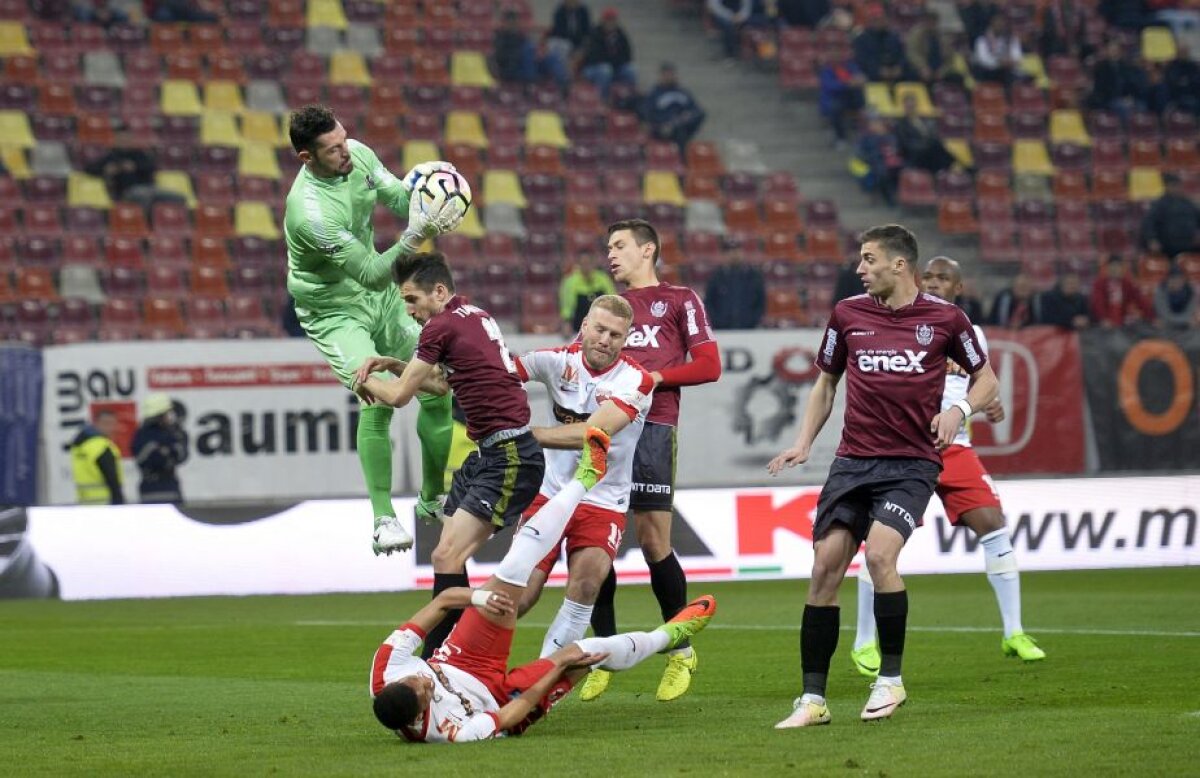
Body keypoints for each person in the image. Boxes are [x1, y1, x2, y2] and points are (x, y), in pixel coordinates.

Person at [768, 224, 998, 728]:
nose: (859, 268)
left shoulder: (946, 319)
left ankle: (890, 680)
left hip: (911, 464)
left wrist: (959, 410)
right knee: (825, 567)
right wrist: (804, 443)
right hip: (853, 462)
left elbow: (987, 379)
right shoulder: (847, 314)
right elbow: (826, 383)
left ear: (899, 264)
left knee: (878, 556)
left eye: (868, 259)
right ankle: (812, 700)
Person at [369, 432, 717, 743]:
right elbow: (512, 714)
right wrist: (556, 663)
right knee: (583, 656)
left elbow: (444, 600)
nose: (425, 681)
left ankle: (585, 477)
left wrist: (480, 597)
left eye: (416, 679)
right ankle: (669, 635)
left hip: (461, 657)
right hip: (502, 698)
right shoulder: (450, 733)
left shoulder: (387, 668)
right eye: (424, 691)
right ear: (418, 716)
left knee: (511, 569)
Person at [850, 256, 1045, 681]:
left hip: (954, 447)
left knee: (993, 525)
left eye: (944, 278)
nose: (935, 283)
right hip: (904, 446)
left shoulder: (970, 332)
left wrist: (990, 403)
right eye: (930, 277)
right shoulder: (900, 322)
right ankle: (864, 640)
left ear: (959, 288)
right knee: (880, 545)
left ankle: (1013, 632)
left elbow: (979, 383)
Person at [283, 104, 461, 557]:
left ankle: (431, 498)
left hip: (379, 299)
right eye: (332, 149)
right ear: (306, 157)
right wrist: (416, 234)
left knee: (437, 383)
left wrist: (428, 194)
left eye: (344, 139)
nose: (345, 151)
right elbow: (371, 274)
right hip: (334, 309)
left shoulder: (357, 153)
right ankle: (383, 519)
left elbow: (399, 201)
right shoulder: (310, 213)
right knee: (378, 394)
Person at [353, 251, 544, 658]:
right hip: (492, 455)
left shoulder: (438, 327)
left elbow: (399, 397)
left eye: (412, 300)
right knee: (447, 557)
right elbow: (440, 386)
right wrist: (395, 364)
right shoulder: (473, 315)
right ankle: (452, 653)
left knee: (446, 555)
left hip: (510, 457)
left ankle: (438, 656)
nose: (409, 310)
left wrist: (359, 376)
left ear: (439, 292)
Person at [580, 219, 722, 703]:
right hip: (607, 428)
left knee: (654, 541)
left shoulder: (679, 300)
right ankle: (602, 653)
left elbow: (709, 365)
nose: (610, 254)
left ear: (648, 250)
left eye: (619, 245)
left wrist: (654, 380)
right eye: (607, 246)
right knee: (594, 542)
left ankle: (680, 651)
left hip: (654, 427)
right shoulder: (608, 309)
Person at [511, 295, 659, 659]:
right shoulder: (554, 360)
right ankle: (468, 668)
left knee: (587, 586)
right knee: (519, 593)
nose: (605, 340)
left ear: (626, 339)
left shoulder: (637, 381)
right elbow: (496, 376)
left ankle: (544, 676)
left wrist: (525, 435)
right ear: (584, 327)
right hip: (550, 494)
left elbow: (594, 432)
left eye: (615, 335)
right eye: (600, 330)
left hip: (603, 500)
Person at [492, 9, 570, 92]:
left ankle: (563, 82)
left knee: (552, 56)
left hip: (529, 66)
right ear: (505, 23)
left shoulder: (521, 37)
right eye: (510, 22)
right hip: (513, 69)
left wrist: (537, 54)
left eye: (515, 22)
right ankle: (531, 85)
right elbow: (501, 58)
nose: (513, 25)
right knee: (528, 49)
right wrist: (523, 53)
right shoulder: (500, 39)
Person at [132, 394, 188, 504]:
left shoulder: (173, 433)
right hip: (154, 491)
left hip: (169, 488)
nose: (170, 417)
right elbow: (147, 458)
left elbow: (182, 455)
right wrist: (167, 451)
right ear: (159, 416)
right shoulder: (144, 436)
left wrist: (165, 450)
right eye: (167, 414)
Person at [642, 63, 707, 151]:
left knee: (699, 115)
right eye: (667, 74)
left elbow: (696, 109)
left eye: (672, 74)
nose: (670, 77)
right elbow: (649, 113)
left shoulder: (683, 92)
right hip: (663, 127)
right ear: (661, 76)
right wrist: (664, 122)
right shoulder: (654, 94)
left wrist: (687, 116)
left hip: (682, 124)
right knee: (676, 129)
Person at [577, 8, 637, 98]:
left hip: (615, 66)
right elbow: (595, 56)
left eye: (613, 20)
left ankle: (630, 97)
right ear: (603, 21)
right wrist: (613, 58)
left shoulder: (620, 34)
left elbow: (627, 55)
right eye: (608, 20)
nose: (611, 23)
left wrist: (615, 60)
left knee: (630, 70)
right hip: (593, 68)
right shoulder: (594, 33)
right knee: (605, 70)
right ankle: (603, 98)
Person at [69, 409, 125, 505]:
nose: (110, 428)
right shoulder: (101, 446)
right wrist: (119, 500)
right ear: (96, 423)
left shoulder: (80, 445)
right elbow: (111, 476)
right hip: (105, 502)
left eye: (112, 424)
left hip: (86, 502)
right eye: (106, 423)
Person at [1139, 174, 1199, 259]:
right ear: (1167, 187)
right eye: (1173, 185)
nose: (1176, 188)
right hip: (1167, 246)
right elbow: (1149, 223)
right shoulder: (1159, 204)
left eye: (1178, 185)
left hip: (1189, 244)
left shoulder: (1187, 203)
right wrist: (1152, 239)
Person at [895, 94, 958, 174]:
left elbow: (929, 135)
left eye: (912, 106)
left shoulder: (922, 120)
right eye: (909, 106)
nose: (911, 108)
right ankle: (949, 166)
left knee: (936, 143)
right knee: (935, 145)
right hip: (913, 151)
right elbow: (905, 143)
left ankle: (945, 168)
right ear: (904, 107)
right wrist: (923, 145)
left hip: (927, 148)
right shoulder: (901, 123)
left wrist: (927, 143)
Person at [559, 249, 617, 334]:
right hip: (579, 329)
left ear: (593, 263)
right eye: (583, 263)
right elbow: (567, 308)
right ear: (578, 264)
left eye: (588, 263)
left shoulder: (603, 279)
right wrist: (566, 324)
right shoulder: (570, 282)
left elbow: (614, 301)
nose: (586, 266)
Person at [816, 52, 866, 146]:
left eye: (838, 56)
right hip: (836, 99)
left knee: (865, 104)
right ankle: (840, 138)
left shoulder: (851, 67)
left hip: (853, 99)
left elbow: (859, 77)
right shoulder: (827, 71)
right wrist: (847, 84)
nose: (837, 58)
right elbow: (830, 86)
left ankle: (864, 137)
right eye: (834, 56)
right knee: (834, 108)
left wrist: (859, 80)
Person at [1090, 254, 1151, 328]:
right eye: (1112, 267)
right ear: (1107, 268)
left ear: (1122, 269)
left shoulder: (1127, 284)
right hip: (1104, 324)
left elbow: (1140, 300)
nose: (1115, 270)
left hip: (1122, 322)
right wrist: (1103, 319)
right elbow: (1098, 304)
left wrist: (1152, 317)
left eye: (1118, 267)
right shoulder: (1099, 284)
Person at [853, 6, 909, 83]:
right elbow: (862, 60)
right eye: (876, 20)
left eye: (882, 19)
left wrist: (899, 67)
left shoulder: (894, 37)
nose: (880, 22)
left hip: (895, 74)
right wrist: (877, 70)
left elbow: (902, 56)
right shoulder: (862, 39)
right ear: (870, 21)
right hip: (872, 76)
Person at [971, 16, 1022, 85]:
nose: (1000, 26)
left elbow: (1017, 57)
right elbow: (983, 59)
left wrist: (1010, 62)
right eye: (997, 24)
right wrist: (999, 62)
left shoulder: (1011, 39)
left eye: (1002, 24)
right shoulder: (982, 40)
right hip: (987, 71)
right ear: (992, 24)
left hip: (1006, 71)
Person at [1153, 265, 1197, 330]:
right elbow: (1164, 314)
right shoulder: (1161, 290)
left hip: (1185, 326)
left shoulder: (1190, 291)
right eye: (1173, 279)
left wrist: (1186, 320)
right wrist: (1185, 320)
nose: (1176, 282)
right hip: (1166, 326)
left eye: (1179, 279)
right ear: (1167, 280)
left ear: (1184, 280)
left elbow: (1189, 313)